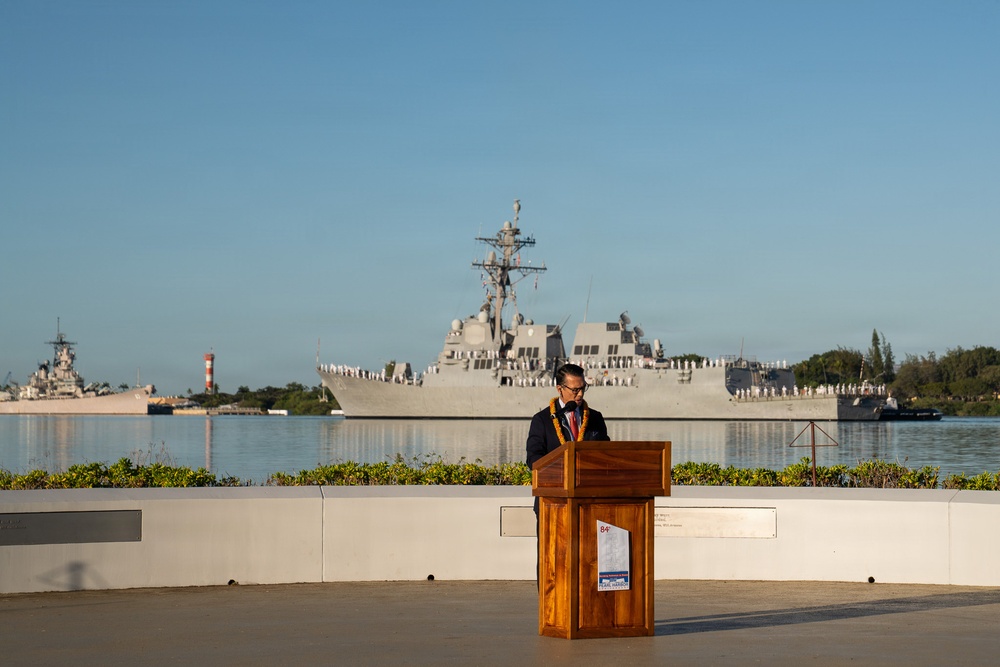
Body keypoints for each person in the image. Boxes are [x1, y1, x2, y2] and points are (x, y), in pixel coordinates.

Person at [526, 362, 610, 472]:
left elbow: (607, 453)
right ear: (559, 389)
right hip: (556, 483)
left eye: (583, 388)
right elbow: (533, 459)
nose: (580, 394)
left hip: (589, 483)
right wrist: (561, 470)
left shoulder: (595, 418)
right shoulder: (543, 420)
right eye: (575, 390)